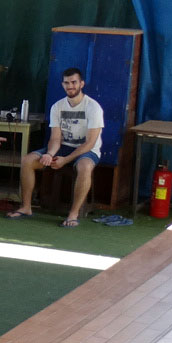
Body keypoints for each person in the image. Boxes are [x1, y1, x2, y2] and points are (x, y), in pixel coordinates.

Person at [13, 67, 103, 227]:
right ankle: (26, 207)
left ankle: (73, 214)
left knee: (85, 166)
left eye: (74, 82)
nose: (70, 86)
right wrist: (50, 154)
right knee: (27, 160)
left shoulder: (93, 107)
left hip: (87, 150)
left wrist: (65, 160)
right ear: (62, 85)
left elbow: (89, 143)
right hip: (63, 147)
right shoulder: (57, 107)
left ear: (81, 84)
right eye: (67, 83)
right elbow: (55, 138)